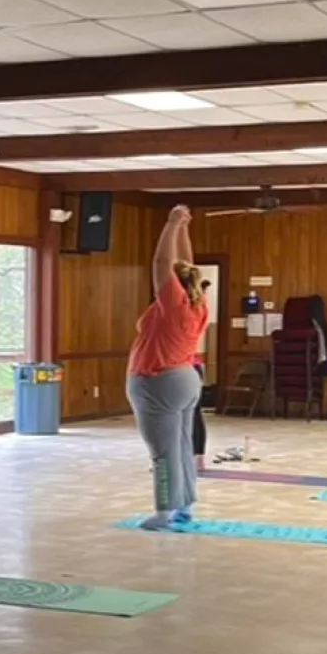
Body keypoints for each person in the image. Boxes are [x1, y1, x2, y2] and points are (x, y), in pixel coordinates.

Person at [126, 205, 209, 529]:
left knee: (161, 452)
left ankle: (163, 513)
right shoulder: (197, 304)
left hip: (158, 381)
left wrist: (172, 222)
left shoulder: (173, 303)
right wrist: (183, 229)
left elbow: (162, 263)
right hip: (186, 379)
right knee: (182, 444)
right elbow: (184, 265)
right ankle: (184, 505)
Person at [193, 279, 211, 471]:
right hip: (194, 366)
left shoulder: (193, 310)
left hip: (187, 366)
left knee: (189, 415)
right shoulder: (201, 309)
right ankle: (197, 459)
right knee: (193, 414)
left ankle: (196, 458)